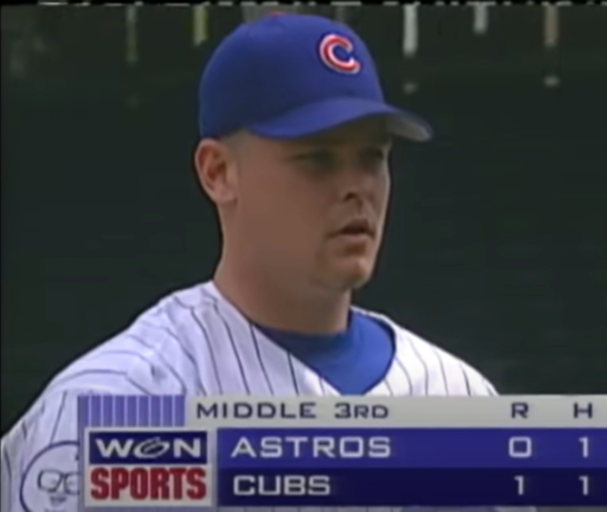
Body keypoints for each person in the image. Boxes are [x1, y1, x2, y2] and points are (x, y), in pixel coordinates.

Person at [1, 12, 507, 512]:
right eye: (319, 158)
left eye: (373, 158)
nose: (358, 187)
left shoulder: (461, 400)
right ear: (219, 172)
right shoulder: (115, 409)